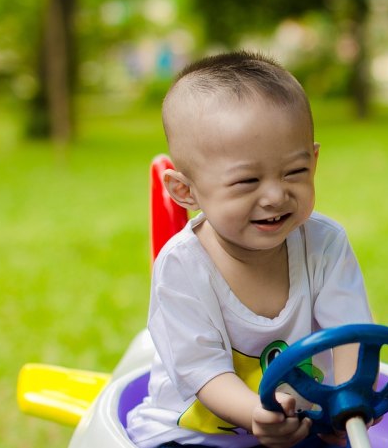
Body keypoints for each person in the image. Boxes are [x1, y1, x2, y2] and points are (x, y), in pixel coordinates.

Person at [126, 50, 373, 448]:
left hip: (297, 426)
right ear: (185, 191)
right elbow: (201, 370)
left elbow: (349, 335)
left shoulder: (324, 244)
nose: (276, 195)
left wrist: (350, 399)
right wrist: (256, 414)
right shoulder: (182, 266)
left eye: (295, 172)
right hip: (191, 434)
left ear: (314, 159)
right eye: (246, 181)